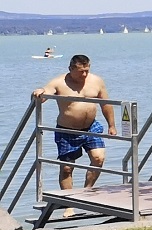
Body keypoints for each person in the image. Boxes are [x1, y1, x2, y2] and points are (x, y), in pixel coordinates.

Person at [32, 55, 117, 192]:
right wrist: (40, 92)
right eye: (80, 71)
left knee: (98, 159)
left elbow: (105, 104)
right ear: (71, 69)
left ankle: (86, 191)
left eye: (87, 71)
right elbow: (45, 92)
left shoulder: (96, 81)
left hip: (91, 127)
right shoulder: (60, 82)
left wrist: (111, 125)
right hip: (67, 130)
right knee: (67, 168)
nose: (84, 74)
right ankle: (69, 203)